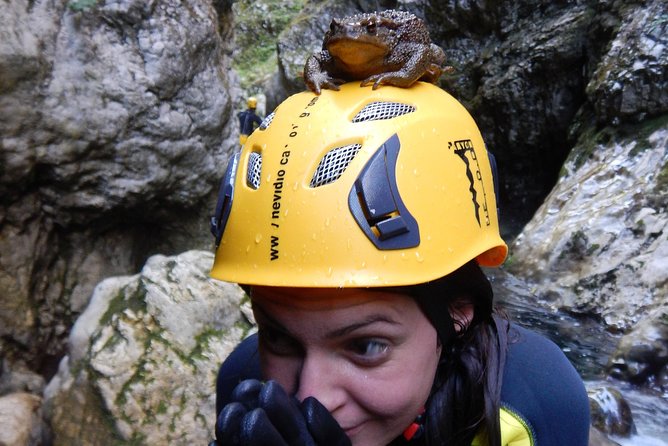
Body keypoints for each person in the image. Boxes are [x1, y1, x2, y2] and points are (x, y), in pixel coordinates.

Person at [208, 81, 590, 445]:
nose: (312, 397)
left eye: (366, 346)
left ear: (458, 311)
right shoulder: (248, 390)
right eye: (276, 336)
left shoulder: (531, 408)